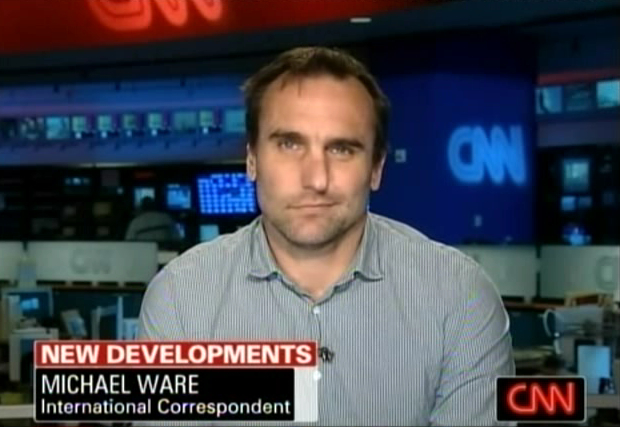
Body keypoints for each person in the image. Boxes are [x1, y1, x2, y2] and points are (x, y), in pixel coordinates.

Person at [139, 46, 515, 426]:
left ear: (376, 168)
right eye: (290, 145)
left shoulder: (459, 296)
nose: (316, 179)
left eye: (341, 149)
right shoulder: (180, 298)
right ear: (252, 159)